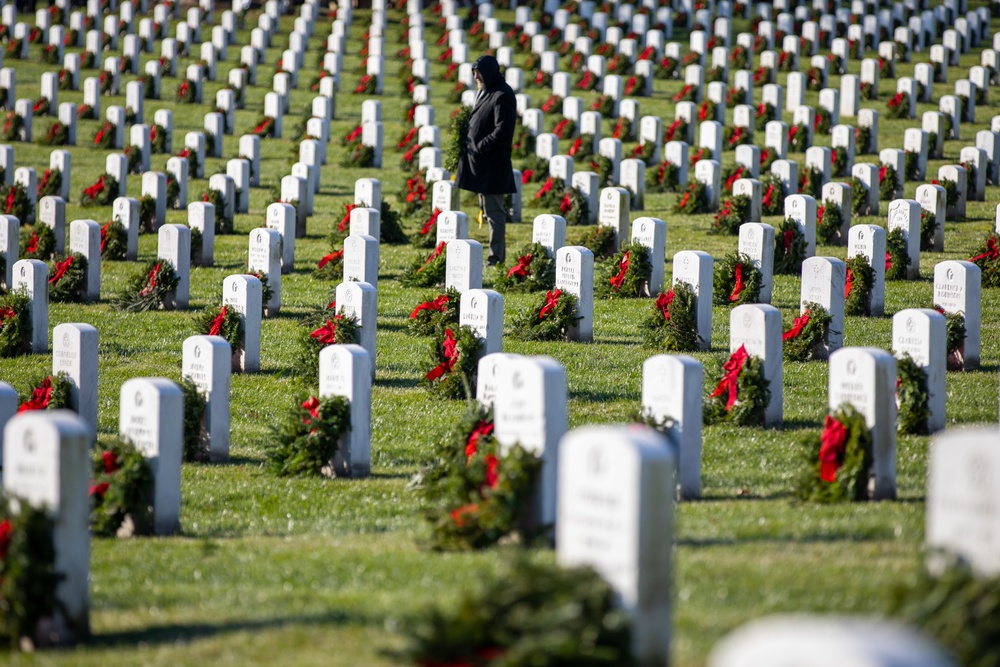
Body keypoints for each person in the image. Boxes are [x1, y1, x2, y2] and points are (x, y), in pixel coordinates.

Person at [455, 54, 517, 266]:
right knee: (487, 209)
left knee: (494, 211)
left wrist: (480, 145)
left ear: (489, 72)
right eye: (474, 72)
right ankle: (494, 254)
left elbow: (504, 130)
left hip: (493, 163)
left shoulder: (502, 95)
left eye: (478, 72)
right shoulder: (486, 91)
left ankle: (496, 256)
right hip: (482, 162)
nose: (475, 77)